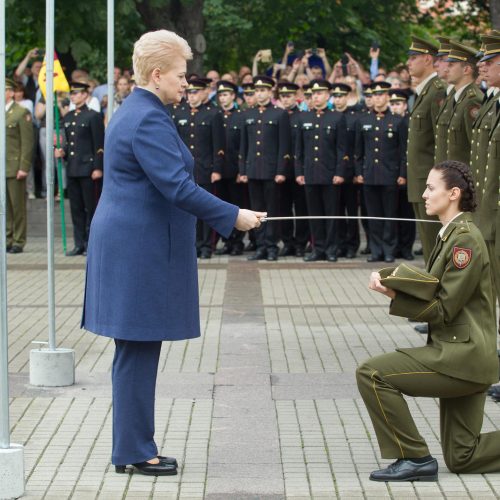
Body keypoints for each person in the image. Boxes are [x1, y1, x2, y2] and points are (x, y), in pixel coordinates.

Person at [82, 30, 264, 476]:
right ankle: (134, 450)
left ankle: (133, 446)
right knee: (138, 349)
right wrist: (233, 215)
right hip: (137, 249)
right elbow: (177, 187)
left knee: (137, 350)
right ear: (158, 74)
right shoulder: (146, 117)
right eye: (182, 75)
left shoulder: (140, 110)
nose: (187, 82)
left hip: (134, 244)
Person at [357, 160, 500, 481]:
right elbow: (434, 286)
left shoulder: (465, 240)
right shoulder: (452, 234)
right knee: (464, 457)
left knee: (372, 373)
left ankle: (415, 457)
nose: (423, 194)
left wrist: (393, 295)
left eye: (431, 188)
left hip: (463, 357)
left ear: (453, 193)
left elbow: (444, 307)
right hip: (464, 355)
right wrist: (393, 279)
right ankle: (419, 458)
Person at [170, 77, 225, 258]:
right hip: (186, 171)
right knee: (188, 209)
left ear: (204, 92)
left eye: (195, 93)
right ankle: (193, 244)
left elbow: (219, 146)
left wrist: (217, 169)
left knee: (206, 208)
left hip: (205, 169)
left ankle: (207, 245)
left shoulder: (213, 113)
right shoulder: (180, 112)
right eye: (189, 93)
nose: (191, 96)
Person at [239, 75, 291, 261]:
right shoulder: (248, 114)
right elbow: (244, 146)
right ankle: (260, 245)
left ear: (270, 92)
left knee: (271, 210)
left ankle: (271, 246)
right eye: (257, 91)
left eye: (263, 90)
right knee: (256, 210)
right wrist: (243, 170)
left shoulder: (279, 114)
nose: (259, 94)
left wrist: (280, 170)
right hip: (253, 169)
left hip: (271, 171)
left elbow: (284, 146)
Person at [355, 82, 408, 263]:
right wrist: (358, 172)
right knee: (373, 216)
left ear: (387, 97)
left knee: (389, 216)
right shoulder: (363, 120)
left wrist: (402, 173)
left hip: (389, 175)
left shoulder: (397, 121)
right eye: (374, 94)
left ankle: (389, 250)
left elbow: (403, 151)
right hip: (370, 175)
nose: (377, 98)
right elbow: (359, 151)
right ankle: (376, 250)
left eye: (381, 94)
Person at [295, 79, 345, 262]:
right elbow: (299, 150)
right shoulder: (304, 118)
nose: (316, 97)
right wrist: (299, 172)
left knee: (331, 214)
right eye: (313, 94)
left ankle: (331, 248)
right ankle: (318, 248)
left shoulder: (337, 117)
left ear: (327, 95)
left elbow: (342, 149)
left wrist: (340, 172)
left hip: (330, 173)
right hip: (310, 173)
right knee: (314, 214)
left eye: (320, 93)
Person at [406, 36, 446, 263]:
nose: (408, 63)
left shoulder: (436, 91)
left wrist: (437, 182)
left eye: (413, 58)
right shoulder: (425, 92)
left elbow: (440, 142)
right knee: (428, 243)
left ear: (428, 59)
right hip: (420, 180)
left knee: (434, 243)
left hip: (430, 181)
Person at [54, 81, 105, 256]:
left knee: (91, 209)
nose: (74, 97)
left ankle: (90, 244)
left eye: (77, 94)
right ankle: (79, 243)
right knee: (75, 209)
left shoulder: (93, 116)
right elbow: (69, 144)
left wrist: (98, 167)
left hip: (89, 169)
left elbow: (100, 145)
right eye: (72, 94)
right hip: (73, 169)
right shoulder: (67, 118)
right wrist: (62, 151)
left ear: (85, 95)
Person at [277, 81, 309, 257]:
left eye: (289, 95)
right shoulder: (277, 116)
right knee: (284, 208)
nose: (286, 99)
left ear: (296, 97)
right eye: (282, 96)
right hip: (282, 170)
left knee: (302, 208)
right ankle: (287, 242)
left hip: (299, 170)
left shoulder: (302, 117)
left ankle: (301, 243)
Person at [213, 80, 245, 256]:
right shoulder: (216, 115)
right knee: (223, 206)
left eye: (226, 94)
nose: (222, 98)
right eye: (220, 95)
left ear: (233, 96)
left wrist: (242, 170)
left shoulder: (240, 116)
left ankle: (238, 241)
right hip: (220, 170)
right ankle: (227, 240)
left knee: (237, 206)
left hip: (235, 170)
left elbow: (243, 145)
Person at [5, 78, 34, 254]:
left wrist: (24, 166)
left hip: (14, 166)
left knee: (17, 207)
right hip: (3, 166)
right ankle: (7, 237)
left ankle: (18, 240)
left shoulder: (21, 112)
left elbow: (27, 142)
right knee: (5, 207)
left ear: (10, 92)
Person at [442, 41, 482, 164]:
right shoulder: (458, 98)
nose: (446, 69)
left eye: (451, 65)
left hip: (463, 178)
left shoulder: (472, 100)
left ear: (466, 69)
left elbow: (476, 148)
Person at [389, 89, 416, 260]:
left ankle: (406, 247)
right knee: (395, 212)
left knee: (407, 213)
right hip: (391, 173)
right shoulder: (390, 121)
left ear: (405, 105)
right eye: (391, 104)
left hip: (404, 173)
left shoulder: (408, 122)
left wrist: (403, 173)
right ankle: (397, 245)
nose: (394, 107)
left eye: (397, 104)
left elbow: (406, 152)